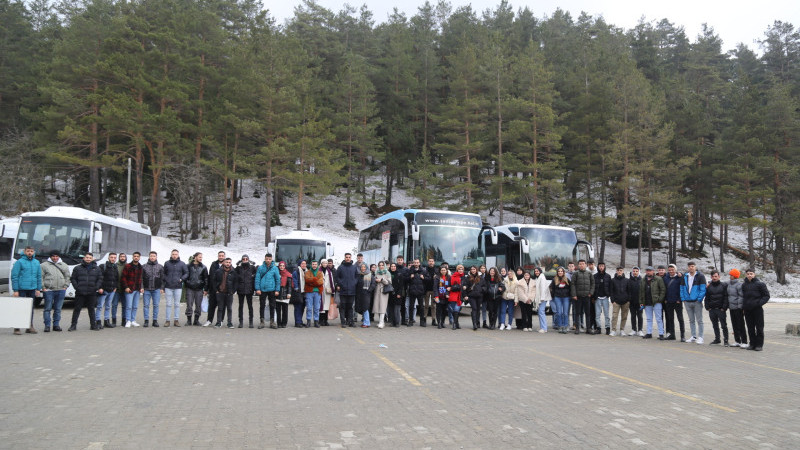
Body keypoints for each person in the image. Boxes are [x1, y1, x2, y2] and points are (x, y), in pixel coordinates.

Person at [10, 246, 41, 335]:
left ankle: (29, 326)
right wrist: (15, 290)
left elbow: (39, 276)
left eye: (31, 251)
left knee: (30, 308)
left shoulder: (36, 262)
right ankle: (17, 327)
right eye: (28, 251)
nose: (30, 253)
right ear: (24, 252)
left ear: (34, 252)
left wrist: (38, 289)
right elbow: (14, 276)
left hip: (32, 289)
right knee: (19, 308)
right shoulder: (19, 262)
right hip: (21, 289)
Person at [69, 252, 103, 331]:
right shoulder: (77, 268)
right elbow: (73, 278)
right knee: (77, 309)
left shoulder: (97, 268)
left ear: (92, 259)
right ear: (84, 258)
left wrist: (96, 287)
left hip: (92, 292)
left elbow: (100, 279)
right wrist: (77, 287)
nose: (88, 259)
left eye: (90, 258)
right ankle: (73, 325)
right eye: (87, 257)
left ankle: (93, 325)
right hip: (80, 292)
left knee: (91, 309)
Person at [40, 250, 70, 332]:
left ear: (59, 257)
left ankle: (56, 325)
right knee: (47, 308)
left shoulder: (64, 265)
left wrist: (65, 286)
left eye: (57, 256)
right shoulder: (44, 265)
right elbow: (40, 277)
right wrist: (43, 288)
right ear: (50, 257)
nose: (55, 258)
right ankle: (47, 325)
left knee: (58, 309)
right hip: (48, 290)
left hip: (61, 290)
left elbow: (67, 277)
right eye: (53, 256)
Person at [741, 268, 769, 351]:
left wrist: (759, 303)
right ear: (746, 275)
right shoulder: (744, 285)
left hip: (757, 309)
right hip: (747, 310)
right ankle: (752, 344)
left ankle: (759, 345)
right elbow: (744, 297)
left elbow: (766, 296)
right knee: (750, 327)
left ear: (754, 274)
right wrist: (744, 307)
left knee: (759, 327)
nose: (749, 275)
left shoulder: (760, 284)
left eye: (751, 273)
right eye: (748, 274)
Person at [680, 261, 707, 344]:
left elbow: (703, 289)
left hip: (696, 301)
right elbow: (682, 288)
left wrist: (699, 299)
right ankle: (693, 336)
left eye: (692, 266)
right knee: (691, 320)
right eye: (689, 266)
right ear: (688, 268)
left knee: (699, 320)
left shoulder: (700, 276)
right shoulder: (685, 276)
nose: (691, 268)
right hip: (687, 302)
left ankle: (701, 337)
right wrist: (683, 298)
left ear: (695, 267)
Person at [163, 249, 188, 328]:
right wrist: (166, 280)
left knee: (177, 304)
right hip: (168, 287)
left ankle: (176, 320)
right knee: (168, 304)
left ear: (178, 255)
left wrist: (181, 279)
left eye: (176, 254)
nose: (174, 255)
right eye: (173, 254)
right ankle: (167, 320)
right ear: (171, 255)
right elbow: (164, 273)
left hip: (178, 287)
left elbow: (186, 273)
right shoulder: (167, 263)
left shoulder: (182, 264)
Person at [705, 270, 729, 346]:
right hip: (712, 309)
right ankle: (717, 339)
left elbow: (726, 297)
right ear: (711, 277)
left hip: (720, 309)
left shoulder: (724, 285)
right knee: (715, 325)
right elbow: (707, 297)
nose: (714, 278)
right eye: (713, 276)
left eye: (716, 276)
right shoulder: (709, 286)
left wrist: (724, 307)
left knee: (723, 326)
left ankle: (726, 340)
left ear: (719, 276)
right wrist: (707, 307)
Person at [640, 266, 666, 339]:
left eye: (650, 271)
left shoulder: (658, 279)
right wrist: (641, 302)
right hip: (647, 302)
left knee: (659, 318)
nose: (648, 272)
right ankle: (649, 333)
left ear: (653, 271)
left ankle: (661, 334)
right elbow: (641, 292)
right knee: (649, 319)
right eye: (647, 271)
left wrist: (660, 299)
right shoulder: (643, 280)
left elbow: (663, 290)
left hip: (656, 302)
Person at [211, 257, 237, 328]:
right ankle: (218, 322)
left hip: (229, 293)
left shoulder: (233, 271)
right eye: (226, 262)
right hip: (220, 292)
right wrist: (216, 289)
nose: (228, 264)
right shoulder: (218, 271)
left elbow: (236, 282)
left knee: (229, 308)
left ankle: (229, 323)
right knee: (220, 308)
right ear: (223, 263)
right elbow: (214, 281)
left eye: (229, 262)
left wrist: (233, 291)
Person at [570, 260, 595, 335]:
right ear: (578, 265)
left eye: (583, 264)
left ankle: (588, 329)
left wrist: (591, 293)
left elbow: (593, 284)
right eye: (580, 264)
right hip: (578, 297)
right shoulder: (575, 273)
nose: (581, 265)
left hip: (587, 296)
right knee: (578, 313)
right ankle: (577, 328)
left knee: (588, 313)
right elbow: (573, 284)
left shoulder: (589, 273)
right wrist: (574, 295)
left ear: (585, 265)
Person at [255, 254, 279, 329]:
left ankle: (272, 322)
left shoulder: (275, 268)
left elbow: (278, 279)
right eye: (267, 259)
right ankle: (262, 321)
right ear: (265, 259)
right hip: (262, 290)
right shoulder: (260, 268)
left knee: (272, 306)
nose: (268, 260)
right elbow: (257, 279)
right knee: (262, 305)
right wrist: (257, 289)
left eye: (269, 259)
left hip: (272, 290)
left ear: (271, 259)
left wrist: (277, 290)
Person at [95, 252, 119, 329]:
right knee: (100, 306)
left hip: (112, 290)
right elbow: (99, 278)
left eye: (115, 258)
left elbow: (116, 278)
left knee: (108, 306)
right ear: (108, 258)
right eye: (111, 257)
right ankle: (98, 321)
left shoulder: (115, 267)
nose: (113, 259)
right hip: (103, 290)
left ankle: (106, 321)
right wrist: (100, 288)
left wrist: (115, 287)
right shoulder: (102, 266)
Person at [141, 251, 165, 327]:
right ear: (149, 257)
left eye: (154, 256)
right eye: (151, 256)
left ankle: (155, 320)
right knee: (146, 305)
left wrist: (162, 288)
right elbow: (141, 278)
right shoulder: (144, 266)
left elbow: (162, 278)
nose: (152, 257)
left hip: (156, 289)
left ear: (156, 257)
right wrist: (141, 287)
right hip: (146, 289)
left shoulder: (160, 267)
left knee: (156, 305)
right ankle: (146, 320)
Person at [335, 253, 359, 328]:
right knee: (342, 307)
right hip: (343, 291)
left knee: (350, 307)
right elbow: (337, 277)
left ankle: (350, 321)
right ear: (344, 258)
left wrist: (354, 283)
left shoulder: (354, 267)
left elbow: (357, 276)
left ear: (351, 258)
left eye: (349, 257)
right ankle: (343, 322)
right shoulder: (340, 267)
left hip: (352, 291)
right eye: (346, 257)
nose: (348, 258)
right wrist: (341, 284)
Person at [663, 264, 686, 341]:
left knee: (680, 319)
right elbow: (664, 289)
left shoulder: (680, 278)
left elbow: (682, 289)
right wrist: (665, 299)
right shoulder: (666, 278)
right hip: (669, 301)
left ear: (675, 270)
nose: (671, 271)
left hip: (677, 301)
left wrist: (680, 299)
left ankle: (682, 335)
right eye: (669, 270)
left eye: (672, 270)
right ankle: (672, 335)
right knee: (670, 319)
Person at [185, 252, 208, 326]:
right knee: (189, 305)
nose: (201, 258)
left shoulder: (204, 267)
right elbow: (185, 276)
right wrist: (188, 283)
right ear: (195, 257)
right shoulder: (188, 266)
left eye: (201, 257)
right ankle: (189, 320)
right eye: (199, 257)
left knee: (198, 305)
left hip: (199, 289)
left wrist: (205, 289)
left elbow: (206, 279)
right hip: (190, 288)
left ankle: (196, 320)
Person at [204, 251, 226, 326]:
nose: (221, 257)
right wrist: (206, 289)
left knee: (222, 306)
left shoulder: (227, 265)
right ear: (218, 256)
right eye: (220, 255)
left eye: (222, 256)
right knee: (211, 306)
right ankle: (209, 320)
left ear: (224, 256)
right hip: (213, 289)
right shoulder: (214, 264)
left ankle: (220, 320)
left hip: (223, 290)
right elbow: (210, 277)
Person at [122, 252, 144, 327]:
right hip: (129, 289)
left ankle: (133, 320)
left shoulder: (141, 267)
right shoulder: (127, 266)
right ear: (132, 257)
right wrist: (126, 287)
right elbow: (123, 277)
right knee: (129, 306)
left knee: (135, 306)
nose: (136, 257)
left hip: (137, 290)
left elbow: (141, 278)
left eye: (137, 256)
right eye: (135, 256)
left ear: (139, 257)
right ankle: (128, 320)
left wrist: (141, 287)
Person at [235, 254, 257, 328]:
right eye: (243, 259)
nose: (245, 260)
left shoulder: (252, 268)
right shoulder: (238, 268)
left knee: (250, 306)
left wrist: (254, 288)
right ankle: (240, 322)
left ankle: (251, 322)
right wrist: (237, 264)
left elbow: (256, 275)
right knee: (240, 306)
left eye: (246, 259)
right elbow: (234, 276)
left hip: (249, 289)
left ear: (248, 259)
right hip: (240, 289)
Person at [727, 269, 747, 348]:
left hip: (738, 308)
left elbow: (741, 296)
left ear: (735, 276)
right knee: (734, 324)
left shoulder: (739, 285)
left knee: (741, 325)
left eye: (731, 275)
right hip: (731, 308)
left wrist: (740, 307)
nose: (730, 276)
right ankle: (737, 341)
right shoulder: (729, 284)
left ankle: (744, 341)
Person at [609, 266, 630, 336]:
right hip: (616, 302)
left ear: (623, 271)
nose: (619, 272)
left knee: (624, 316)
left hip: (625, 302)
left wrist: (628, 300)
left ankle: (622, 330)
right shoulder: (613, 280)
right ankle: (613, 330)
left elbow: (629, 291)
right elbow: (611, 291)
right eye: (618, 270)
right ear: (616, 271)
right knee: (614, 316)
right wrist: (612, 301)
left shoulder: (627, 280)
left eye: (621, 270)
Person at [405, 258, 426, 327]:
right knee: (411, 307)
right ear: (413, 263)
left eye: (417, 262)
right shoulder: (410, 270)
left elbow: (428, 279)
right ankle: (411, 321)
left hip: (420, 291)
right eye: (415, 262)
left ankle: (422, 321)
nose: (416, 264)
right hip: (412, 291)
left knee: (421, 307)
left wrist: (424, 278)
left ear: (419, 263)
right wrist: (410, 277)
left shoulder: (423, 270)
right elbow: (405, 280)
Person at [549, 267, 571, 334]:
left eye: (561, 271)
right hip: (557, 298)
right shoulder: (554, 280)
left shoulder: (567, 279)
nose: (560, 272)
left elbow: (570, 288)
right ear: (557, 272)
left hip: (566, 298)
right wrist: (553, 296)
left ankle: (565, 326)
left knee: (565, 313)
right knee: (559, 313)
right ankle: (560, 326)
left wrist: (568, 294)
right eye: (559, 271)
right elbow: (551, 288)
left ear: (563, 272)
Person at [304, 260, 324, 328]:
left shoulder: (320, 273)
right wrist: (315, 280)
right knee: (309, 307)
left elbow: (321, 282)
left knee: (316, 308)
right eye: (313, 264)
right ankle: (308, 321)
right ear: (311, 265)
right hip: (309, 292)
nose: (314, 265)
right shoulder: (307, 272)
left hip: (317, 292)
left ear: (317, 265)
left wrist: (312, 281)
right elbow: (307, 280)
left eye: (315, 264)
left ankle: (316, 321)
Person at [593, 262, 612, 335]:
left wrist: (609, 295)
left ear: (604, 267)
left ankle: (607, 328)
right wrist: (594, 296)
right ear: (598, 267)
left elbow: (610, 287)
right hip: (597, 298)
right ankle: (598, 328)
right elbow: (593, 287)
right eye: (600, 266)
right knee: (597, 314)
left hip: (605, 298)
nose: (601, 267)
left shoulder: (608, 276)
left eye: (602, 266)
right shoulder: (595, 276)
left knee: (606, 314)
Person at [373, 261, 391, 329]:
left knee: (383, 306)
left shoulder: (387, 273)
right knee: (377, 306)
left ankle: (381, 322)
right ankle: (381, 322)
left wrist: (382, 279)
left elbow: (389, 282)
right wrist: (376, 280)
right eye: (380, 265)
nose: (381, 266)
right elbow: (374, 280)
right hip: (377, 291)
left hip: (384, 291)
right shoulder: (376, 272)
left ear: (384, 266)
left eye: (382, 265)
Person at [356, 263, 374, 327]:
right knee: (362, 308)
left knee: (365, 308)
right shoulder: (359, 275)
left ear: (366, 268)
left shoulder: (370, 275)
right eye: (361, 267)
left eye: (364, 267)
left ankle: (367, 323)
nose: (363, 268)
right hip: (359, 294)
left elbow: (373, 284)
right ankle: (365, 322)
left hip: (366, 294)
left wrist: (368, 291)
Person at [388, 263, 406, 327]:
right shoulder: (388, 274)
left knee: (397, 309)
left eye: (394, 266)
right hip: (390, 294)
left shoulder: (399, 274)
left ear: (396, 267)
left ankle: (397, 322)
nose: (393, 267)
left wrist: (399, 293)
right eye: (392, 266)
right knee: (391, 309)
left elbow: (401, 285)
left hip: (397, 294)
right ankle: (392, 322)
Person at [534, 267, 552, 333]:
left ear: (540, 271)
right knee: (540, 312)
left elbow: (543, 288)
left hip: (543, 298)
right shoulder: (538, 278)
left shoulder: (542, 277)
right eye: (535, 271)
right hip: (541, 298)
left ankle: (544, 328)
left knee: (541, 312)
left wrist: (542, 298)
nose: (536, 272)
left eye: (537, 271)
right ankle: (542, 327)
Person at [447, 265, 464, 330]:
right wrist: (456, 287)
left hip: (460, 296)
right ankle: (457, 323)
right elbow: (449, 287)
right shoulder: (452, 277)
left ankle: (454, 323)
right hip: (453, 295)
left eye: (462, 269)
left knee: (456, 309)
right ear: (457, 270)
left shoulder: (464, 278)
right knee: (454, 310)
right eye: (459, 269)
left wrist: (454, 287)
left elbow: (463, 287)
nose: (460, 270)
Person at [276, 261, 292, 328]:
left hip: (285, 294)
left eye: (283, 266)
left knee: (285, 310)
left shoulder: (288, 274)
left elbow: (289, 286)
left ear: (285, 266)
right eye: (280, 266)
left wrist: (289, 293)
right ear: (279, 266)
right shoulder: (276, 274)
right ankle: (279, 323)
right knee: (278, 310)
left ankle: (284, 323)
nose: (282, 267)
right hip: (278, 294)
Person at [320, 259, 336, 326]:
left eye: (326, 263)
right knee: (321, 306)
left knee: (326, 306)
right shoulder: (319, 271)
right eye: (324, 263)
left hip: (327, 291)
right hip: (320, 290)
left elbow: (332, 281)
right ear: (321, 263)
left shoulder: (329, 272)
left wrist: (332, 290)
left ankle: (325, 320)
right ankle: (320, 320)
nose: (325, 264)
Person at [292, 260, 308, 328]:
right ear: (299, 264)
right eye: (302, 264)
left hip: (305, 292)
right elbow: (294, 281)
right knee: (298, 307)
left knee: (302, 307)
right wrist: (296, 288)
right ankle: (297, 322)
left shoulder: (307, 271)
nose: (304, 265)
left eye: (305, 264)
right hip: (298, 292)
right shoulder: (296, 272)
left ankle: (300, 321)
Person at [628, 267, 643, 336]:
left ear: (639, 272)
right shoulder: (629, 280)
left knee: (640, 316)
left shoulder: (642, 280)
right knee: (633, 316)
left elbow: (643, 292)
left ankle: (640, 330)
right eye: (634, 271)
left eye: (636, 271)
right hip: (632, 302)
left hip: (640, 303)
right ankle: (634, 329)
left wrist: (642, 301)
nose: (635, 272)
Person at [114, 253, 127, 326]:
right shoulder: (115, 265)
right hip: (116, 289)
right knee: (114, 305)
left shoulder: (128, 266)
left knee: (124, 306)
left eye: (123, 257)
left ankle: (124, 320)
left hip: (125, 289)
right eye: (121, 257)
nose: (122, 258)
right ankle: (114, 320)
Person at [422, 258, 436, 327]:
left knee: (433, 306)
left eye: (432, 261)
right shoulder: (424, 270)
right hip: (426, 290)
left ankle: (434, 320)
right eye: (430, 261)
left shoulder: (437, 270)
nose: (431, 262)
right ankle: (424, 319)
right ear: (428, 262)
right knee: (426, 305)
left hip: (434, 290)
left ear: (434, 262)